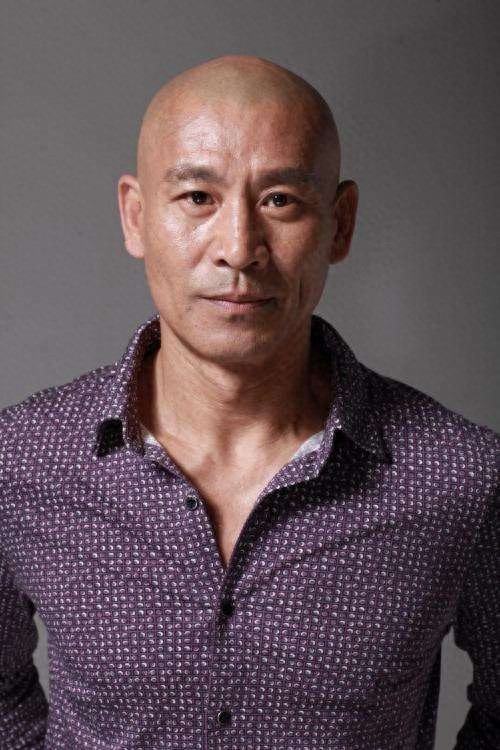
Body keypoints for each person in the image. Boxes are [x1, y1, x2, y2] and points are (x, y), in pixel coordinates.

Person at [0, 54, 498, 750]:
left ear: (341, 224)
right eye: (197, 198)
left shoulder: (460, 477)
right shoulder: (22, 460)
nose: (239, 249)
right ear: (136, 217)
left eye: (280, 201)